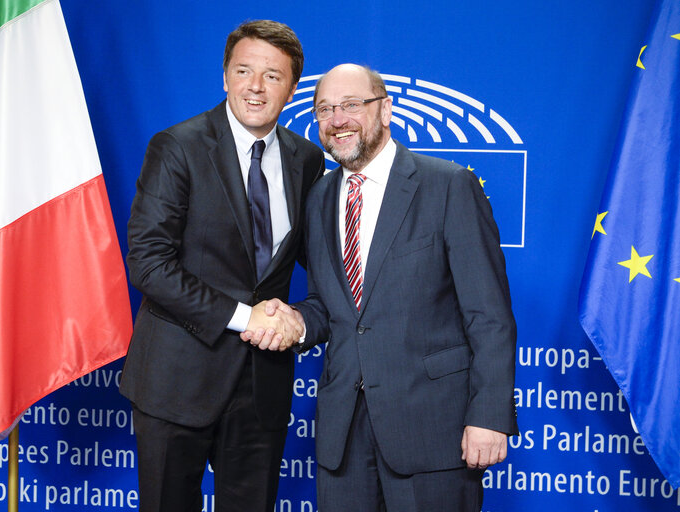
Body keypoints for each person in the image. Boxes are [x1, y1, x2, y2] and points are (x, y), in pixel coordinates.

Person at [246, 63, 518, 511]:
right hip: (343, 438)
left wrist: (489, 417)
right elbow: (333, 306)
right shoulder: (318, 198)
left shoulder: (448, 186)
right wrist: (294, 322)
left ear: (386, 109)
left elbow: (488, 315)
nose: (337, 120)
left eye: (352, 105)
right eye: (324, 109)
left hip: (432, 433)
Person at [120, 20, 324, 512]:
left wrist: (301, 322)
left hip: (263, 387)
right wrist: (244, 316)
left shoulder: (308, 160)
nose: (256, 86)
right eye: (244, 71)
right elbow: (148, 263)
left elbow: (324, 271)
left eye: (272, 76)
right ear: (225, 77)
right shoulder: (178, 147)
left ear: (292, 88)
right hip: (176, 381)